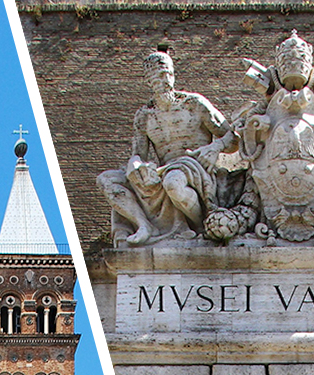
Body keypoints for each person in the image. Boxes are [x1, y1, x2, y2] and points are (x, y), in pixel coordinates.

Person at [98, 46, 230, 246]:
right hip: (163, 171)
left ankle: (201, 225)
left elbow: (233, 137)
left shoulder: (194, 104)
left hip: (194, 167)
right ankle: (143, 225)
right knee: (106, 180)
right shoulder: (144, 115)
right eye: (158, 77)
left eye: (167, 74)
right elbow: (138, 154)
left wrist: (215, 147)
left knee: (172, 183)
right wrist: (136, 166)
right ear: (148, 81)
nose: (164, 81)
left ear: (173, 76)